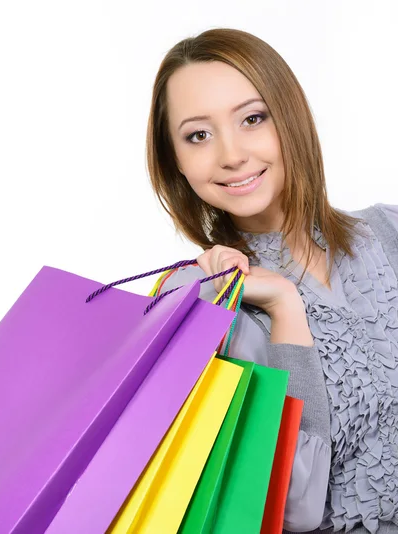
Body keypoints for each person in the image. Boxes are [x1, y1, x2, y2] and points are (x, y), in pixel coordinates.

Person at [147, 28, 398, 533]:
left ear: (290, 118)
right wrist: (285, 308)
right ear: (175, 159)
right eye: (198, 134)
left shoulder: (389, 229)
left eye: (252, 119)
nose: (232, 154)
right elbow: (293, 508)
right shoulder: (206, 301)